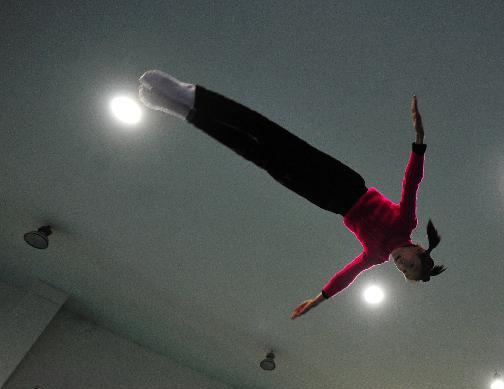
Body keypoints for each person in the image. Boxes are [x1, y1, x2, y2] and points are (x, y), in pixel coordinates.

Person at [137, 70, 445, 320]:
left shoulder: (377, 256)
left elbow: (348, 275)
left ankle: (184, 112)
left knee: (258, 155)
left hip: (325, 200)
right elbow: (411, 182)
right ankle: (190, 95)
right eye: (409, 264)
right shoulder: (405, 222)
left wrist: (317, 300)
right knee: (269, 135)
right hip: (344, 183)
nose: (400, 266)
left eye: (403, 272)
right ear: (417, 249)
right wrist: (419, 141)